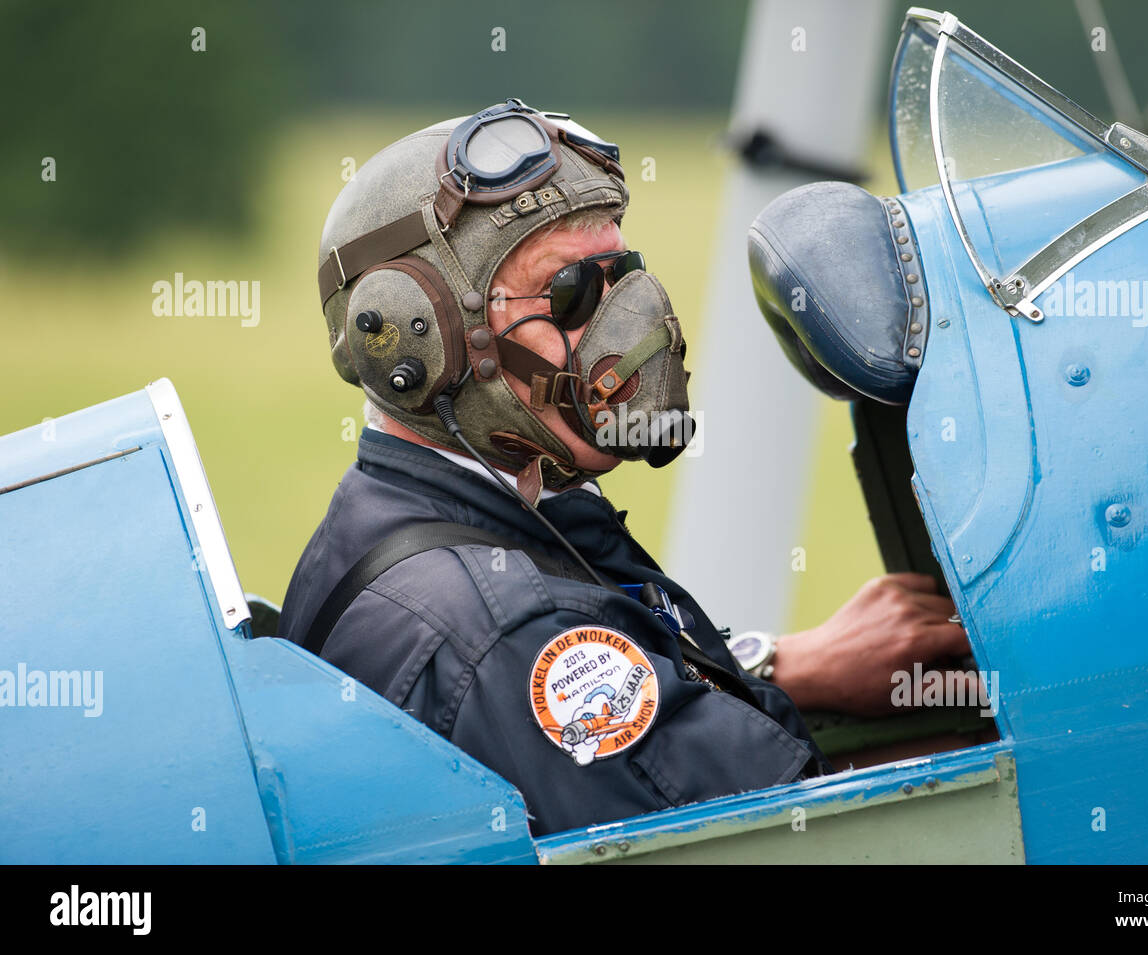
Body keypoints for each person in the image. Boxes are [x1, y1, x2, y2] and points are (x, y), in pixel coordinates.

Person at [278, 100, 968, 835]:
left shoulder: (396, 515)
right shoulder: (512, 633)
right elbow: (802, 844)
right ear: (418, 346)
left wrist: (771, 664)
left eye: (625, 275)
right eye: (572, 292)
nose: (636, 325)